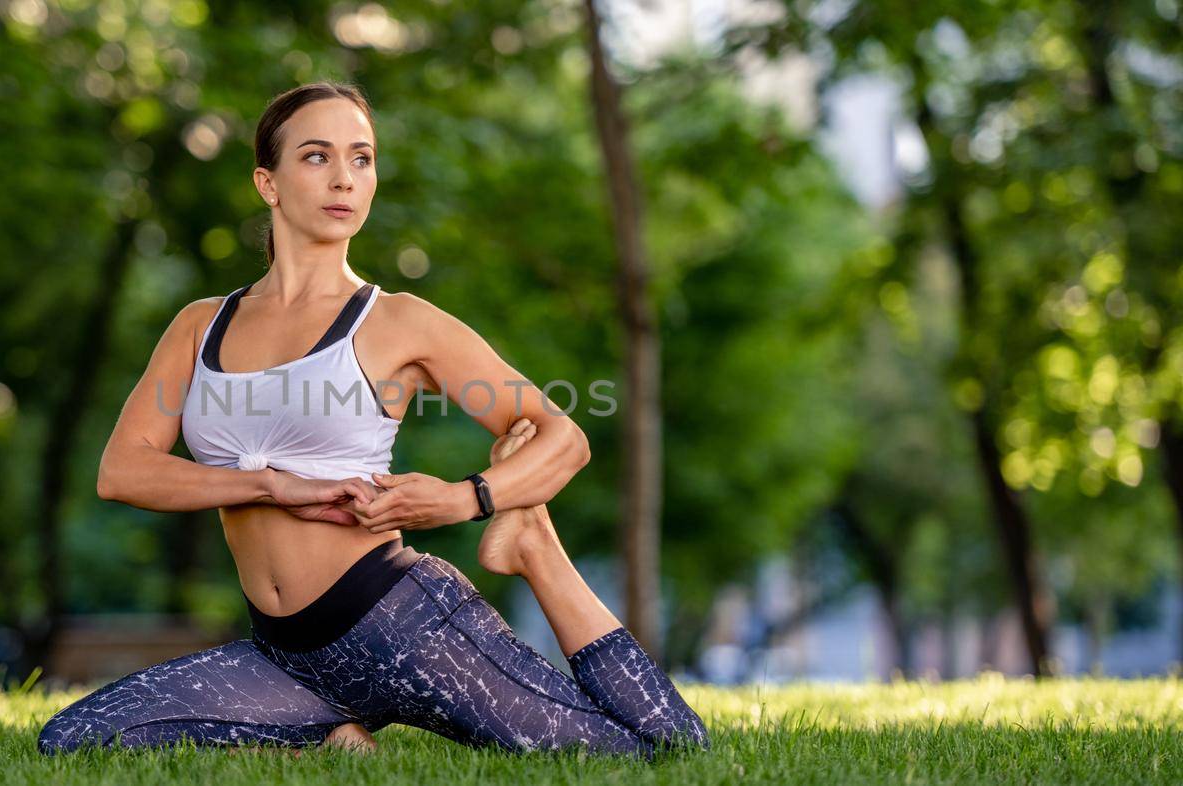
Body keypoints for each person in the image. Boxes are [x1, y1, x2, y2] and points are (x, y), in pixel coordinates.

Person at [37, 81, 709, 760]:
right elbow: (124, 472)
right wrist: (270, 485)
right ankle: (329, 736)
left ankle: (532, 544)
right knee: (71, 739)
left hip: (404, 626)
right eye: (317, 157)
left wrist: (464, 498)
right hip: (285, 654)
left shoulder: (397, 322)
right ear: (267, 183)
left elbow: (564, 436)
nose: (344, 179)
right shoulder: (200, 326)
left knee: (658, 752)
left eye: (362, 159)